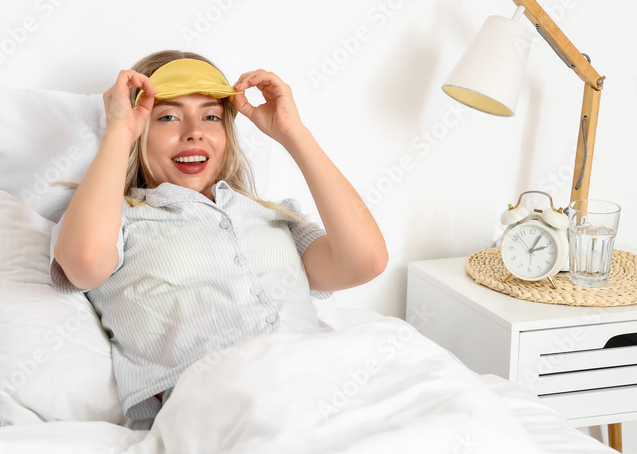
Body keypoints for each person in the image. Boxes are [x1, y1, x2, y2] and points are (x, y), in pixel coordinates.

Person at [49, 50, 387, 420]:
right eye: (167, 116)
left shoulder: (275, 218)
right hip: (222, 405)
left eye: (211, 116)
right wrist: (118, 130)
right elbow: (84, 262)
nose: (194, 131)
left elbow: (366, 261)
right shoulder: (118, 218)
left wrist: (293, 132)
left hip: (328, 382)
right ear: (139, 129)